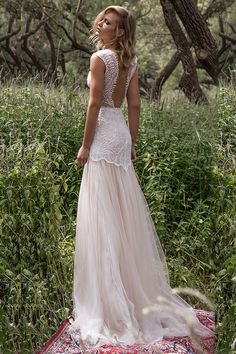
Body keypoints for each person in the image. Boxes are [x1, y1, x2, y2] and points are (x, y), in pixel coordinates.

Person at [68, 5, 213, 349]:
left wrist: (85, 146)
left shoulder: (100, 57)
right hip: (120, 134)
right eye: (102, 18)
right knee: (122, 212)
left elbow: (93, 105)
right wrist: (132, 142)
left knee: (103, 215)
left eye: (109, 22)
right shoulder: (129, 60)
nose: (101, 23)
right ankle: (130, 291)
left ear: (119, 32)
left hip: (103, 135)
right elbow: (134, 105)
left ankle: (110, 302)